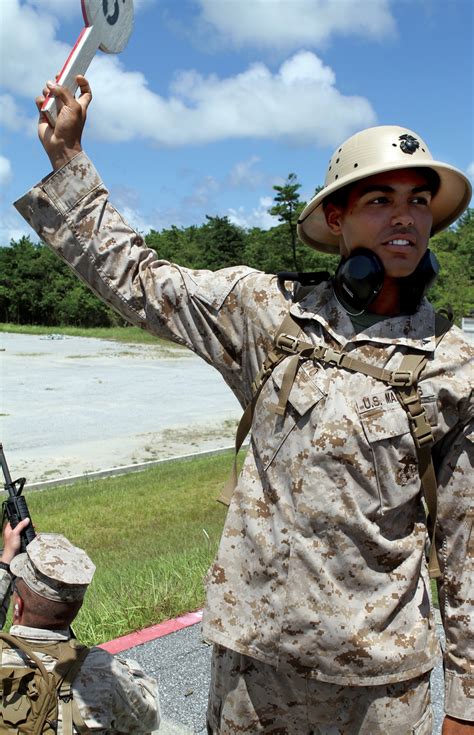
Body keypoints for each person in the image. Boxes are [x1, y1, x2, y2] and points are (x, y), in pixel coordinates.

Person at [13, 76, 473, 734]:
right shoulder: (264, 312)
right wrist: (69, 158)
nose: (406, 217)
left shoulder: (452, 363)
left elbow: (465, 549)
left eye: (419, 201)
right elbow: (139, 278)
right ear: (336, 218)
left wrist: (465, 705)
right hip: (252, 676)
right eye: (380, 199)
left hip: (380, 690)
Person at [0, 520, 161, 733]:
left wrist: (5, 560)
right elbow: (150, 719)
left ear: (17, 605)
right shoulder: (100, 669)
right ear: (77, 608)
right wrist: (123, 668)